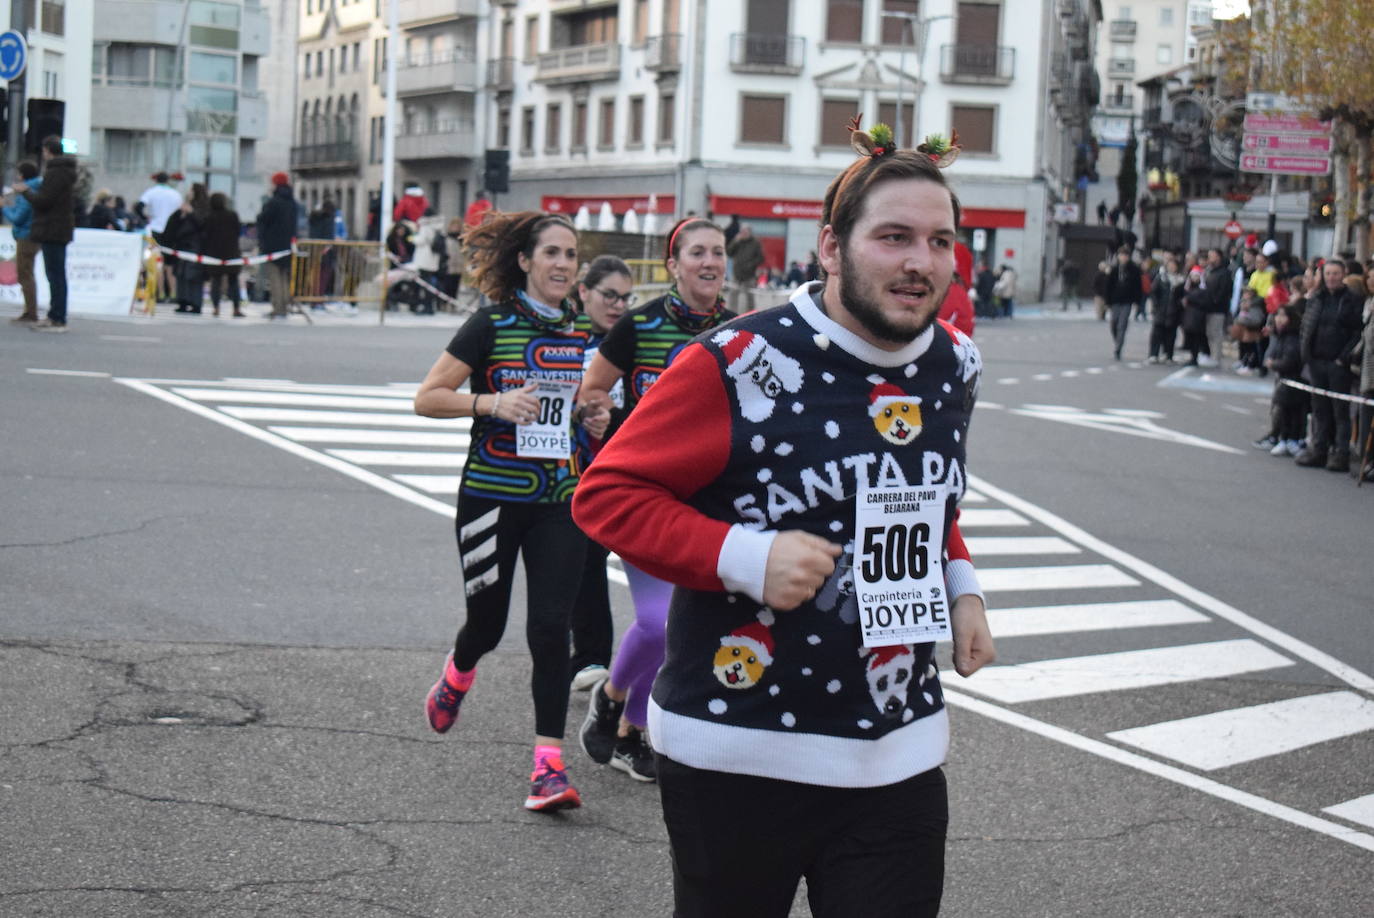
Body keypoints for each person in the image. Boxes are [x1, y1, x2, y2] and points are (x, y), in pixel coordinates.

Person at [573, 127, 994, 918]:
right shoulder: (733, 361)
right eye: (893, 237)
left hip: (895, 754)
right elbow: (607, 495)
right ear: (832, 247)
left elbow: (926, 494)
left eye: (940, 241)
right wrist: (742, 555)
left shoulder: (955, 365)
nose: (920, 261)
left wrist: (960, 584)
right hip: (741, 751)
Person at [416, 210, 610, 813]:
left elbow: (579, 405)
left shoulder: (582, 333)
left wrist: (591, 416)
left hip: (559, 500)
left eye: (570, 255)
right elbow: (428, 398)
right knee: (488, 624)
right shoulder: (490, 324)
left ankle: (548, 767)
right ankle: (459, 669)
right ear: (525, 262)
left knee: (551, 629)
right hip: (492, 498)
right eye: (551, 253)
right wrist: (492, 403)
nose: (561, 264)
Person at [576, 218, 734, 784]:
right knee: (658, 619)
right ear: (674, 266)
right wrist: (601, 418)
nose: (710, 262)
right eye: (697, 253)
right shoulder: (639, 327)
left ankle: (629, 732)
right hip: (645, 493)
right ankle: (611, 698)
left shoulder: (740, 331)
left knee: (683, 626)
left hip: (712, 500)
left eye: (717, 252)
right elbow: (592, 390)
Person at [567, 255, 636, 694]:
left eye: (626, 298)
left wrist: (613, 417)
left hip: (626, 466)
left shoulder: (632, 340)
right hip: (574, 468)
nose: (617, 306)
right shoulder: (564, 339)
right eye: (609, 295)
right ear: (584, 292)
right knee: (584, 564)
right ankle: (590, 657)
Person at [1294, 259, 1363, 471]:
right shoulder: (1317, 298)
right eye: (1328, 273)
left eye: (1335, 273)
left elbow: (1356, 333)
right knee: (1319, 410)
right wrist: (1307, 355)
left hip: (1338, 364)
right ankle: (1319, 449)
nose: (1331, 277)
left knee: (1340, 412)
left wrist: (1344, 358)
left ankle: (1341, 453)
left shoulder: (1352, 300)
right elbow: (1306, 327)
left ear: (1343, 275)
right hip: (1317, 361)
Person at [17, 136, 77, 333]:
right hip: (58, 227)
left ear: (48, 151)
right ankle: (56, 315)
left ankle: (57, 317)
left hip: (53, 228)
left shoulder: (56, 173)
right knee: (56, 274)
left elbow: (43, 201)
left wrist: (26, 192)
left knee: (55, 274)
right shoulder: (64, 172)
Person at [1258, 305, 1305, 456]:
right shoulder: (1281, 335)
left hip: (1292, 379)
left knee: (1290, 411)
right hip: (1284, 378)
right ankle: (1283, 438)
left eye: (1283, 316)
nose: (1279, 319)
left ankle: (1289, 439)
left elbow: (1290, 361)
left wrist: (1273, 364)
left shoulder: (1292, 337)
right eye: (1277, 315)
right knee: (1283, 409)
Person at [4, 160, 42, 325]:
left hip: (26, 236)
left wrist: (4, 207)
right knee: (27, 272)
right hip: (32, 234)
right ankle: (30, 310)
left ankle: (30, 312)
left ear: (22, 175)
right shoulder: (36, 188)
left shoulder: (27, 192)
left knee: (24, 273)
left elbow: (18, 218)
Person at [256, 172, 298, 319]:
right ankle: (285, 306)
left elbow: (263, 220)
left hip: (272, 245)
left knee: (274, 278)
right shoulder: (292, 202)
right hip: (287, 245)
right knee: (284, 278)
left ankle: (278, 307)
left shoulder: (273, 202)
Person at [138, 172, 183, 301]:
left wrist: (145, 219)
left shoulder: (151, 192)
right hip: (171, 230)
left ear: (156, 180)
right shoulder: (176, 194)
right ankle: (173, 293)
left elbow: (139, 207)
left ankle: (160, 293)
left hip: (155, 229)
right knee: (170, 265)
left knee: (157, 263)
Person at [164, 183, 208, 313]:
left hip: (195, 246)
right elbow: (174, 224)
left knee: (193, 276)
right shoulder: (185, 207)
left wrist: (191, 213)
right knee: (181, 275)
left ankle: (195, 302)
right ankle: (182, 301)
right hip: (182, 246)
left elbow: (202, 224)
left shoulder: (202, 208)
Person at [203, 192, 244, 318]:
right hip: (231, 252)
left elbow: (206, 235)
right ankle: (236, 308)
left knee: (215, 281)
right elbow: (238, 231)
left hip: (214, 253)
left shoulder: (209, 217)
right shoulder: (232, 215)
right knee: (233, 281)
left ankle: (216, 307)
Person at [1104, 246, 1141, 360]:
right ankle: (1117, 340)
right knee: (1114, 323)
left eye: (1125, 255)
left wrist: (1137, 301)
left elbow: (1137, 286)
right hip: (1115, 300)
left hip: (1127, 300)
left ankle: (1118, 347)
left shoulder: (1134, 269)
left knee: (1122, 324)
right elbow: (1108, 286)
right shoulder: (1114, 269)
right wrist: (1107, 300)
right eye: (1121, 255)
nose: (1123, 257)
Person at [1197, 247, 1232, 367]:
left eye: (1212, 255)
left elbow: (1223, 292)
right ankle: (1209, 355)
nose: (1209, 258)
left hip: (1217, 308)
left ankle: (1216, 357)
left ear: (1218, 257)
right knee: (1208, 332)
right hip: (1207, 307)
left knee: (1215, 333)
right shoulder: (1209, 271)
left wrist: (1215, 301)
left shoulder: (1224, 273)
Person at [1147, 255, 1184, 364]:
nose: (1172, 267)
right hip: (1160, 310)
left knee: (1171, 334)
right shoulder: (1161, 278)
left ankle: (1168, 355)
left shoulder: (1180, 280)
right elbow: (1153, 292)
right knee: (1157, 332)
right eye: (1170, 265)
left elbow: (1183, 295)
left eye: (1174, 266)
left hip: (1174, 311)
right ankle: (1153, 354)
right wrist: (1155, 305)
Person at [726, 223, 764, 313]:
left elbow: (761, 258)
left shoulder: (755, 243)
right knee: (733, 295)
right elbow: (729, 252)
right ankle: (732, 313)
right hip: (737, 274)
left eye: (745, 232)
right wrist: (735, 241)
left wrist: (751, 265)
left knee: (750, 296)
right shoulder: (738, 242)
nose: (743, 234)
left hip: (749, 275)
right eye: (742, 232)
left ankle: (750, 313)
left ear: (750, 233)